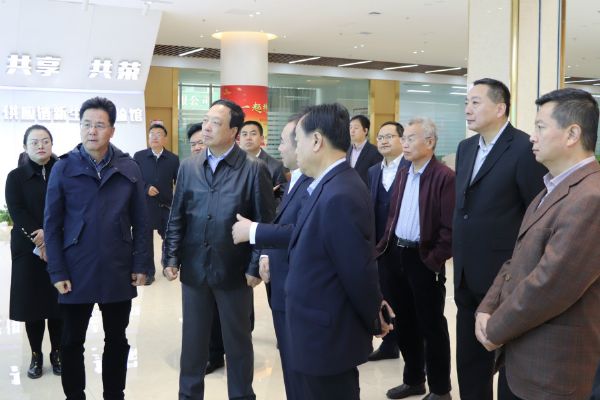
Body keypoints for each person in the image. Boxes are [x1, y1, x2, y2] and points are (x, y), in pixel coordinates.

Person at [475, 88, 600, 400]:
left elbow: (550, 284)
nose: (532, 137)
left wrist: (495, 329)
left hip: (551, 371)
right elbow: (516, 260)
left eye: (541, 127)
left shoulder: (590, 198)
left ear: (572, 134)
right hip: (522, 358)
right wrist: (487, 307)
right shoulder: (549, 189)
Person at [162, 99, 275, 400]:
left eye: (216, 122)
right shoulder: (189, 166)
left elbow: (264, 223)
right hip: (195, 268)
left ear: (234, 131)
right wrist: (171, 256)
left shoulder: (254, 170)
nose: (207, 127)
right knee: (193, 344)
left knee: (237, 344)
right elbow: (177, 216)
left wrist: (254, 267)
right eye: (205, 120)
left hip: (234, 271)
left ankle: (241, 395)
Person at [44, 97, 150, 400]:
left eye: (100, 125)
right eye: (87, 124)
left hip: (118, 268)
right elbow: (51, 224)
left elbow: (142, 221)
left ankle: (114, 394)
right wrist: (57, 271)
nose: (92, 131)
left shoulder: (129, 167)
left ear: (112, 130)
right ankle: (75, 395)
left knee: (117, 339)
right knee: (71, 341)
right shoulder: (64, 167)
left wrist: (141, 264)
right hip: (75, 268)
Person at [286, 103, 393, 399]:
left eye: (298, 139)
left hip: (327, 338)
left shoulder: (341, 193)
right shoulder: (327, 184)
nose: (295, 148)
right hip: (314, 330)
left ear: (316, 140)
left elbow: (357, 270)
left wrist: (374, 316)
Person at [453, 78, 547, 400]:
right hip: (466, 274)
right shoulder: (466, 148)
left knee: (508, 363)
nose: (467, 109)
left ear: (500, 108)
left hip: (504, 276)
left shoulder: (523, 148)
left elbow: (535, 215)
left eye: (475, 102)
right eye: (466, 102)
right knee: (469, 361)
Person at [231, 114, 312, 400]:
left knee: (304, 368)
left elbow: (294, 228)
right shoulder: (296, 177)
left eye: (285, 142)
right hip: (279, 273)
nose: (280, 148)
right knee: (292, 365)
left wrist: (254, 232)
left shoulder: (312, 181)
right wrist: (265, 252)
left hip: (299, 286)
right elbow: (278, 218)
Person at [376, 118, 455, 400]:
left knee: (431, 326)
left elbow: (450, 228)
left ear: (429, 142)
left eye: (410, 138)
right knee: (405, 323)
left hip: (423, 258)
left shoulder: (444, 177)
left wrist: (433, 260)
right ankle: (413, 380)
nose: (404, 143)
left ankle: (440, 389)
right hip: (396, 253)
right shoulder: (403, 172)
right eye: (404, 138)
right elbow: (394, 216)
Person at [6, 125, 62, 379]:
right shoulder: (15, 177)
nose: (41, 145)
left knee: (58, 303)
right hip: (27, 250)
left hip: (59, 246)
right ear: (25, 147)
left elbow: (71, 206)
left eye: (45, 141)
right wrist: (39, 238)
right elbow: (17, 210)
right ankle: (36, 354)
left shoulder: (62, 171)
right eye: (35, 142)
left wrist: (50, 237)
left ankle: (57, 353)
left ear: (51, 144)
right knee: (33, 306)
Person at [367, 121, 409, 362]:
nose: (383, 141)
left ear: (402, 140)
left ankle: (415, 347)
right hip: (380, 245)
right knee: (385, 292)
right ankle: (389, 344)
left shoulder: (410, 166)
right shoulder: (373, 171)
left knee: (408, 297)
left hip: (404, 244)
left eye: (389, 137)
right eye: (380, 137)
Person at [133, 123, 179, 285]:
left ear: (165, 138)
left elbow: (179, 182)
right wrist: (146, 188)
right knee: (145, 240)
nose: (154, 137)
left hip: (166, 206)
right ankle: (148, 273)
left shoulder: (173, 159)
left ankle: (167, 266)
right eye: (151, 134)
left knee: (169, 238)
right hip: (145, 206)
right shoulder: (139, 156)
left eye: (158, 134)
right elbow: (134, 179)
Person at [346, 114, 383, 185]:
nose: (352, 131)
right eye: (350, 127)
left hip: (365, 190)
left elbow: (376, 178)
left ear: (365, 131)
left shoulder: (375, 152)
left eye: (356, 128)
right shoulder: (347, 150)